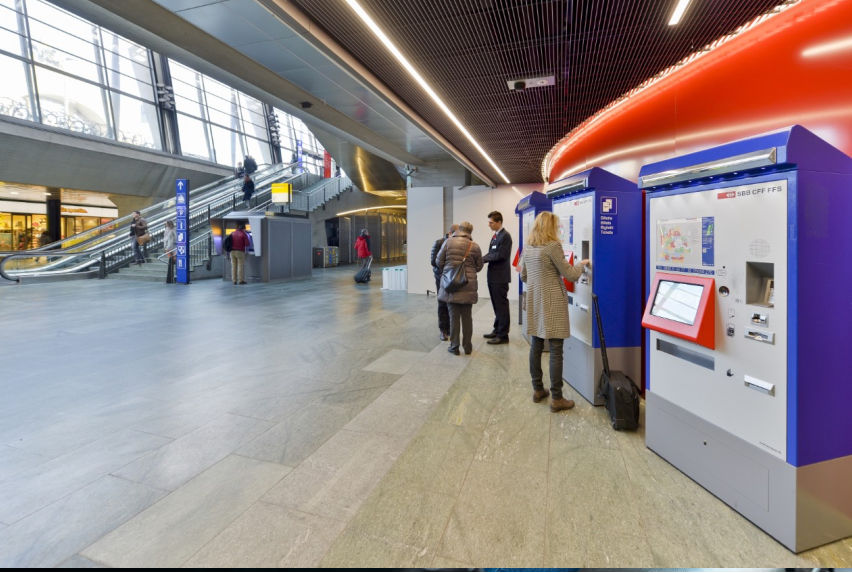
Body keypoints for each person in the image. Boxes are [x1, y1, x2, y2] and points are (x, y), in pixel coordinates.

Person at [521, 211, 590, 412]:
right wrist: (581, 265)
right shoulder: (553, 247)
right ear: (551, 227)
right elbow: (569, 273)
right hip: (552, 302)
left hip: (535, 301)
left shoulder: (529, 247)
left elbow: (524, 276)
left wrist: (539, 282)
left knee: (536, 345)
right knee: (556, 349)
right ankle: (557, 398)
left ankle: (538, 389)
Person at [436, 221, 483, 356]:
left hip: (451, 285)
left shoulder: (448, 242)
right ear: (470, 231)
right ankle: (467, 347)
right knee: (467, 318)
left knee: (453, 317)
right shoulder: (474, 246)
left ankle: (454, 346)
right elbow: (479, 267)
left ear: (459, 230)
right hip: (468, 285)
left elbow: (439, 262)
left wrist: (449, 268)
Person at [482, 210, 513, 345]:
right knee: (496, 305)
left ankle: (503, 335)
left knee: (501, 306)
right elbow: (492, 252)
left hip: (500, 277)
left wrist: (482, 259)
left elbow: (501, 255)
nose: (489, 225)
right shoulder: (496, 236)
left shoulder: (505, 236)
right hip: (493, 276)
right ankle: (497, 329)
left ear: (499, 222)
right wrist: (484, 258)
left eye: (491, 222)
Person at [431, 224, 458, 341]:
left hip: (454, 278)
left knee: (452, 304)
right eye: (456, 235)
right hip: (441, 278)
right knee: (442, 303)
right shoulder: (438, 243)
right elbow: (433, 262)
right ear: (450, 233)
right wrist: (445, 271)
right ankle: (443, 330)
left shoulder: (457, 244)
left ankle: (451, 329)